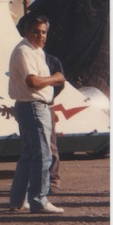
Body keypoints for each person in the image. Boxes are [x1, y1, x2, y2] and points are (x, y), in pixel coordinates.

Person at [8, 14, 66, 214]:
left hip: (35, 106)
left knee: (29, 155)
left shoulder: (36, 51)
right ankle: (39, 200)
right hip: (33, 107)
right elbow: (32, 82)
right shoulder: (24, 51)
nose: (41, 36)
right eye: (36, 31)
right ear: (26, 31)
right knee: (43, 155)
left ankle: (18, 200)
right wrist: (55, 78)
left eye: (44, 32)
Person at [45, 52, 65, 191]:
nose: (40, 36)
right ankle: (36, 180)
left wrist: (48, 98)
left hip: (47, 106)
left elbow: (60, 84)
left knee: (51, 144)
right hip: (29, 105)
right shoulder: (25, 56)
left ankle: (53, 179)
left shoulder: (52, 60)